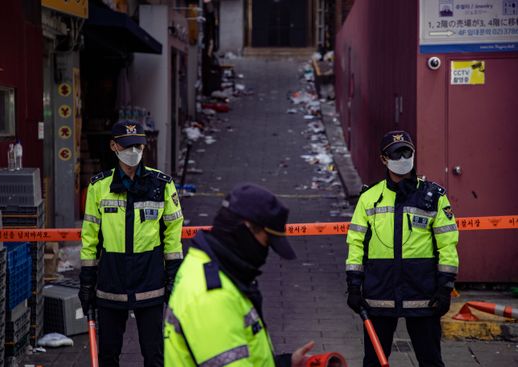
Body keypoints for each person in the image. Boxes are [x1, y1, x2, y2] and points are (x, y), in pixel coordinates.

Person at [164, 183, 315, 366]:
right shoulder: (212, 296)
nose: (267, 251)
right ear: (246, 229)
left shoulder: (212, 268)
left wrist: (285, 363)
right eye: (268, 241)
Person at [345, 130, 459, 367]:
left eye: (407, 152)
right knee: (374, 361)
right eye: (396, 154)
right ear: (383, 159)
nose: (402, 158)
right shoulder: (369, 198)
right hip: (380, 293)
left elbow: (447, 243)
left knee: (431, 360)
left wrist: (445, 287)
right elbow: (356, 243)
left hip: (423, 294)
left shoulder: (433, 197)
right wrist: (353, 286)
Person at [78, 120, 184, 367]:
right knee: (108, 355)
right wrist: (86, 282)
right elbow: (90, 238)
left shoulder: (162, 185)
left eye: (138, 145)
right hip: (111, 281)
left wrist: (173, 276)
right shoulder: (98, 187)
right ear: (114, 146)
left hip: (150, 280)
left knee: (154, 354)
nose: (134, 151)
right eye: (127, 146)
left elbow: (172, 236)